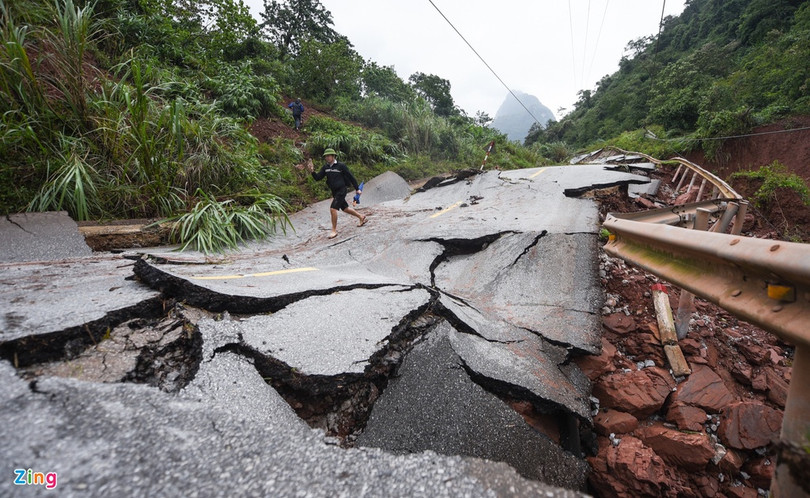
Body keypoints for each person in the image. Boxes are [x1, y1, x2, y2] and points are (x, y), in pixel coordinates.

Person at [308, 148, 366, 239]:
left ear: (333, 156)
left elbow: (350, 177)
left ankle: (334, 230)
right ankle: (361, 216)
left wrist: (357, 189)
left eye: (328, 156)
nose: (327, 158)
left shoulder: (341, 166)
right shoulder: (326, 167)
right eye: (325, 156)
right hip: (334, 191)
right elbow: (318, 178)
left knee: (333, 209)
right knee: (345, 208)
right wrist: (312, 171)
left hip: (342, 190)